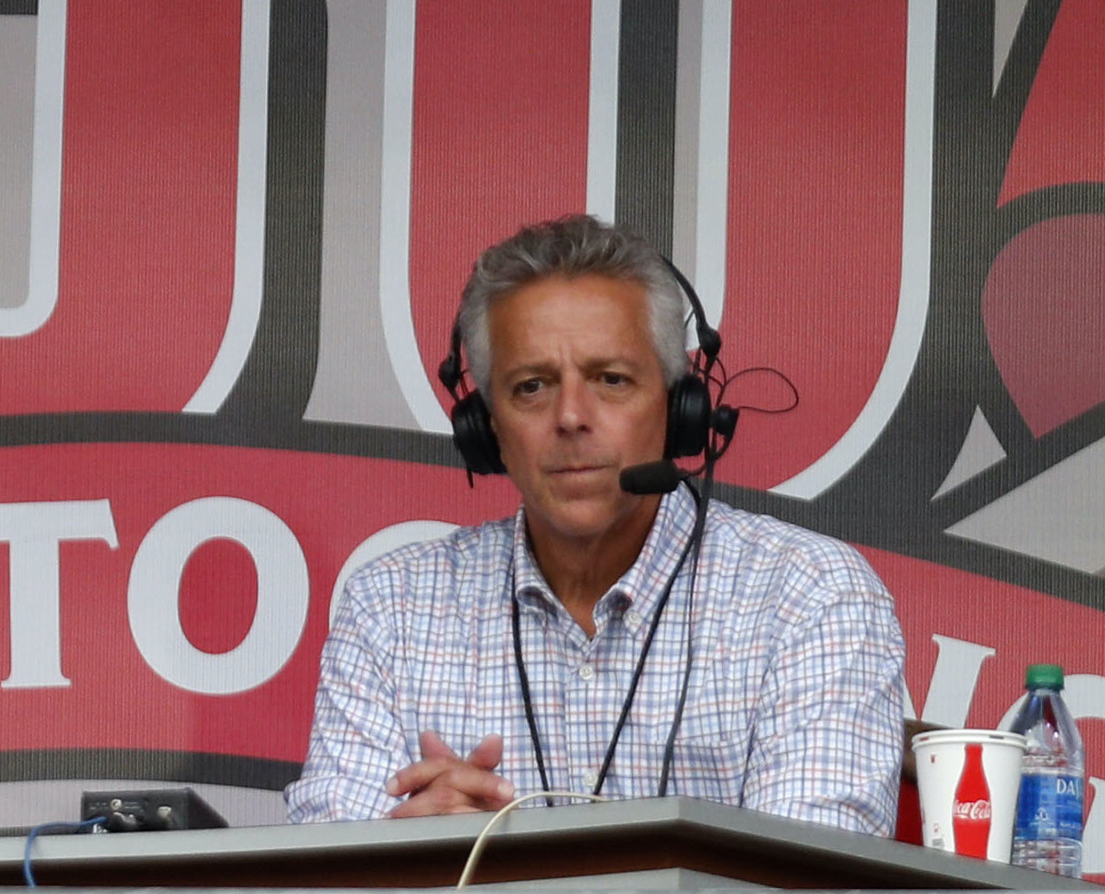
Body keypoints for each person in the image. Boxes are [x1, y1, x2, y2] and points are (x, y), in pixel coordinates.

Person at [283, 215, 907, 834]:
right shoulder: (389, 606)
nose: (571, 417)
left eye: (611, 380)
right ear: (486, 427)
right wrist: (408, 851)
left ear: (679, 407)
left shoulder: (812, 596)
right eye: (531, 387)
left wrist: (490, 877)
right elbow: (327, 886)